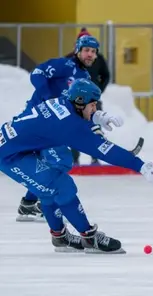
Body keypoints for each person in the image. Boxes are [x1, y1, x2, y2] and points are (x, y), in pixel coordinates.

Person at [0, 78, 153, 253]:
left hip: (16, 144)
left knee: (49, 184)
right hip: (10, 154)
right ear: (79, 102)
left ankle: (60, 238)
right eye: (93, 105)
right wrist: (141, 166)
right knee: (62, 187)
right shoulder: (69, 127)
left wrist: (97, 116)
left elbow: (73, 116)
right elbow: (105, 151)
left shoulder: (63, 102)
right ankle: (90, 238)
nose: (95, 108)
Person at [16, 35, 101, 223]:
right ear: (78, 50)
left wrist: (93, 125)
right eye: (86, 50)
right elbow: (37, 73)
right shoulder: (64, 65)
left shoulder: (84, 77)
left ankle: (29, 203)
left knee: (52, 162)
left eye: (93, 52)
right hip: (40, 120)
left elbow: (78, 108)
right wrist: (48, 99)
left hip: (52, 124)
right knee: (61, 160)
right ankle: (31, 204)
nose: (90, 54)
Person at [67, 28, 111, 165]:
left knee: (95, 128)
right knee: (74, 130)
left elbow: (106, 75)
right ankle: (74, 159)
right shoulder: (69, 59)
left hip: (93, 101)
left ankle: (95, 158)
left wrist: (99, 90)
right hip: (75, 101)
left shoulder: (98, 59)